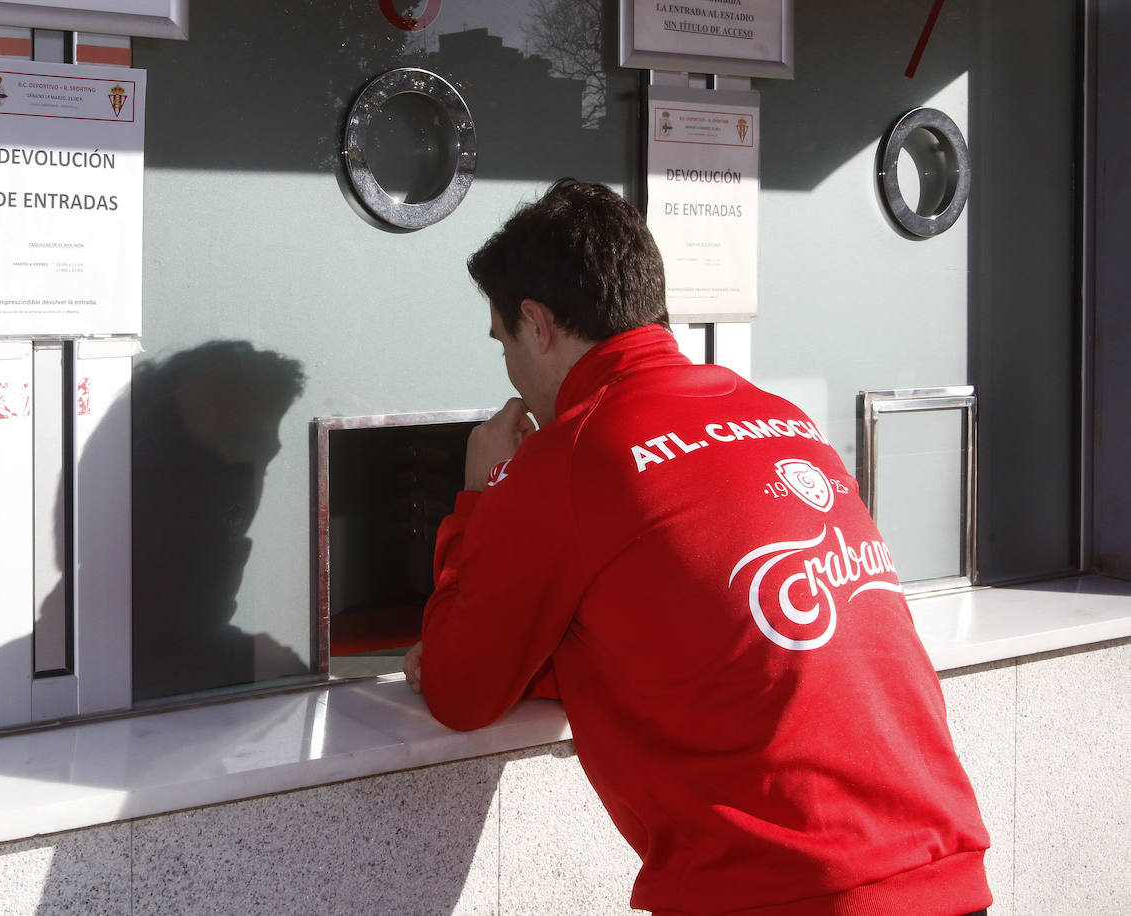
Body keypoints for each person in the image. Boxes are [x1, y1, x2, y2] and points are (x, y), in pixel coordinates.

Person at [403, 178, 992, 916]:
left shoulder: (571, 456)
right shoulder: (782, 418)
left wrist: (482, 497)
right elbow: (706, 625)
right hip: (946, 872)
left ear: (538, 323)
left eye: (504, 343)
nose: (510, 370)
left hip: (784, 893)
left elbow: (460, 690)